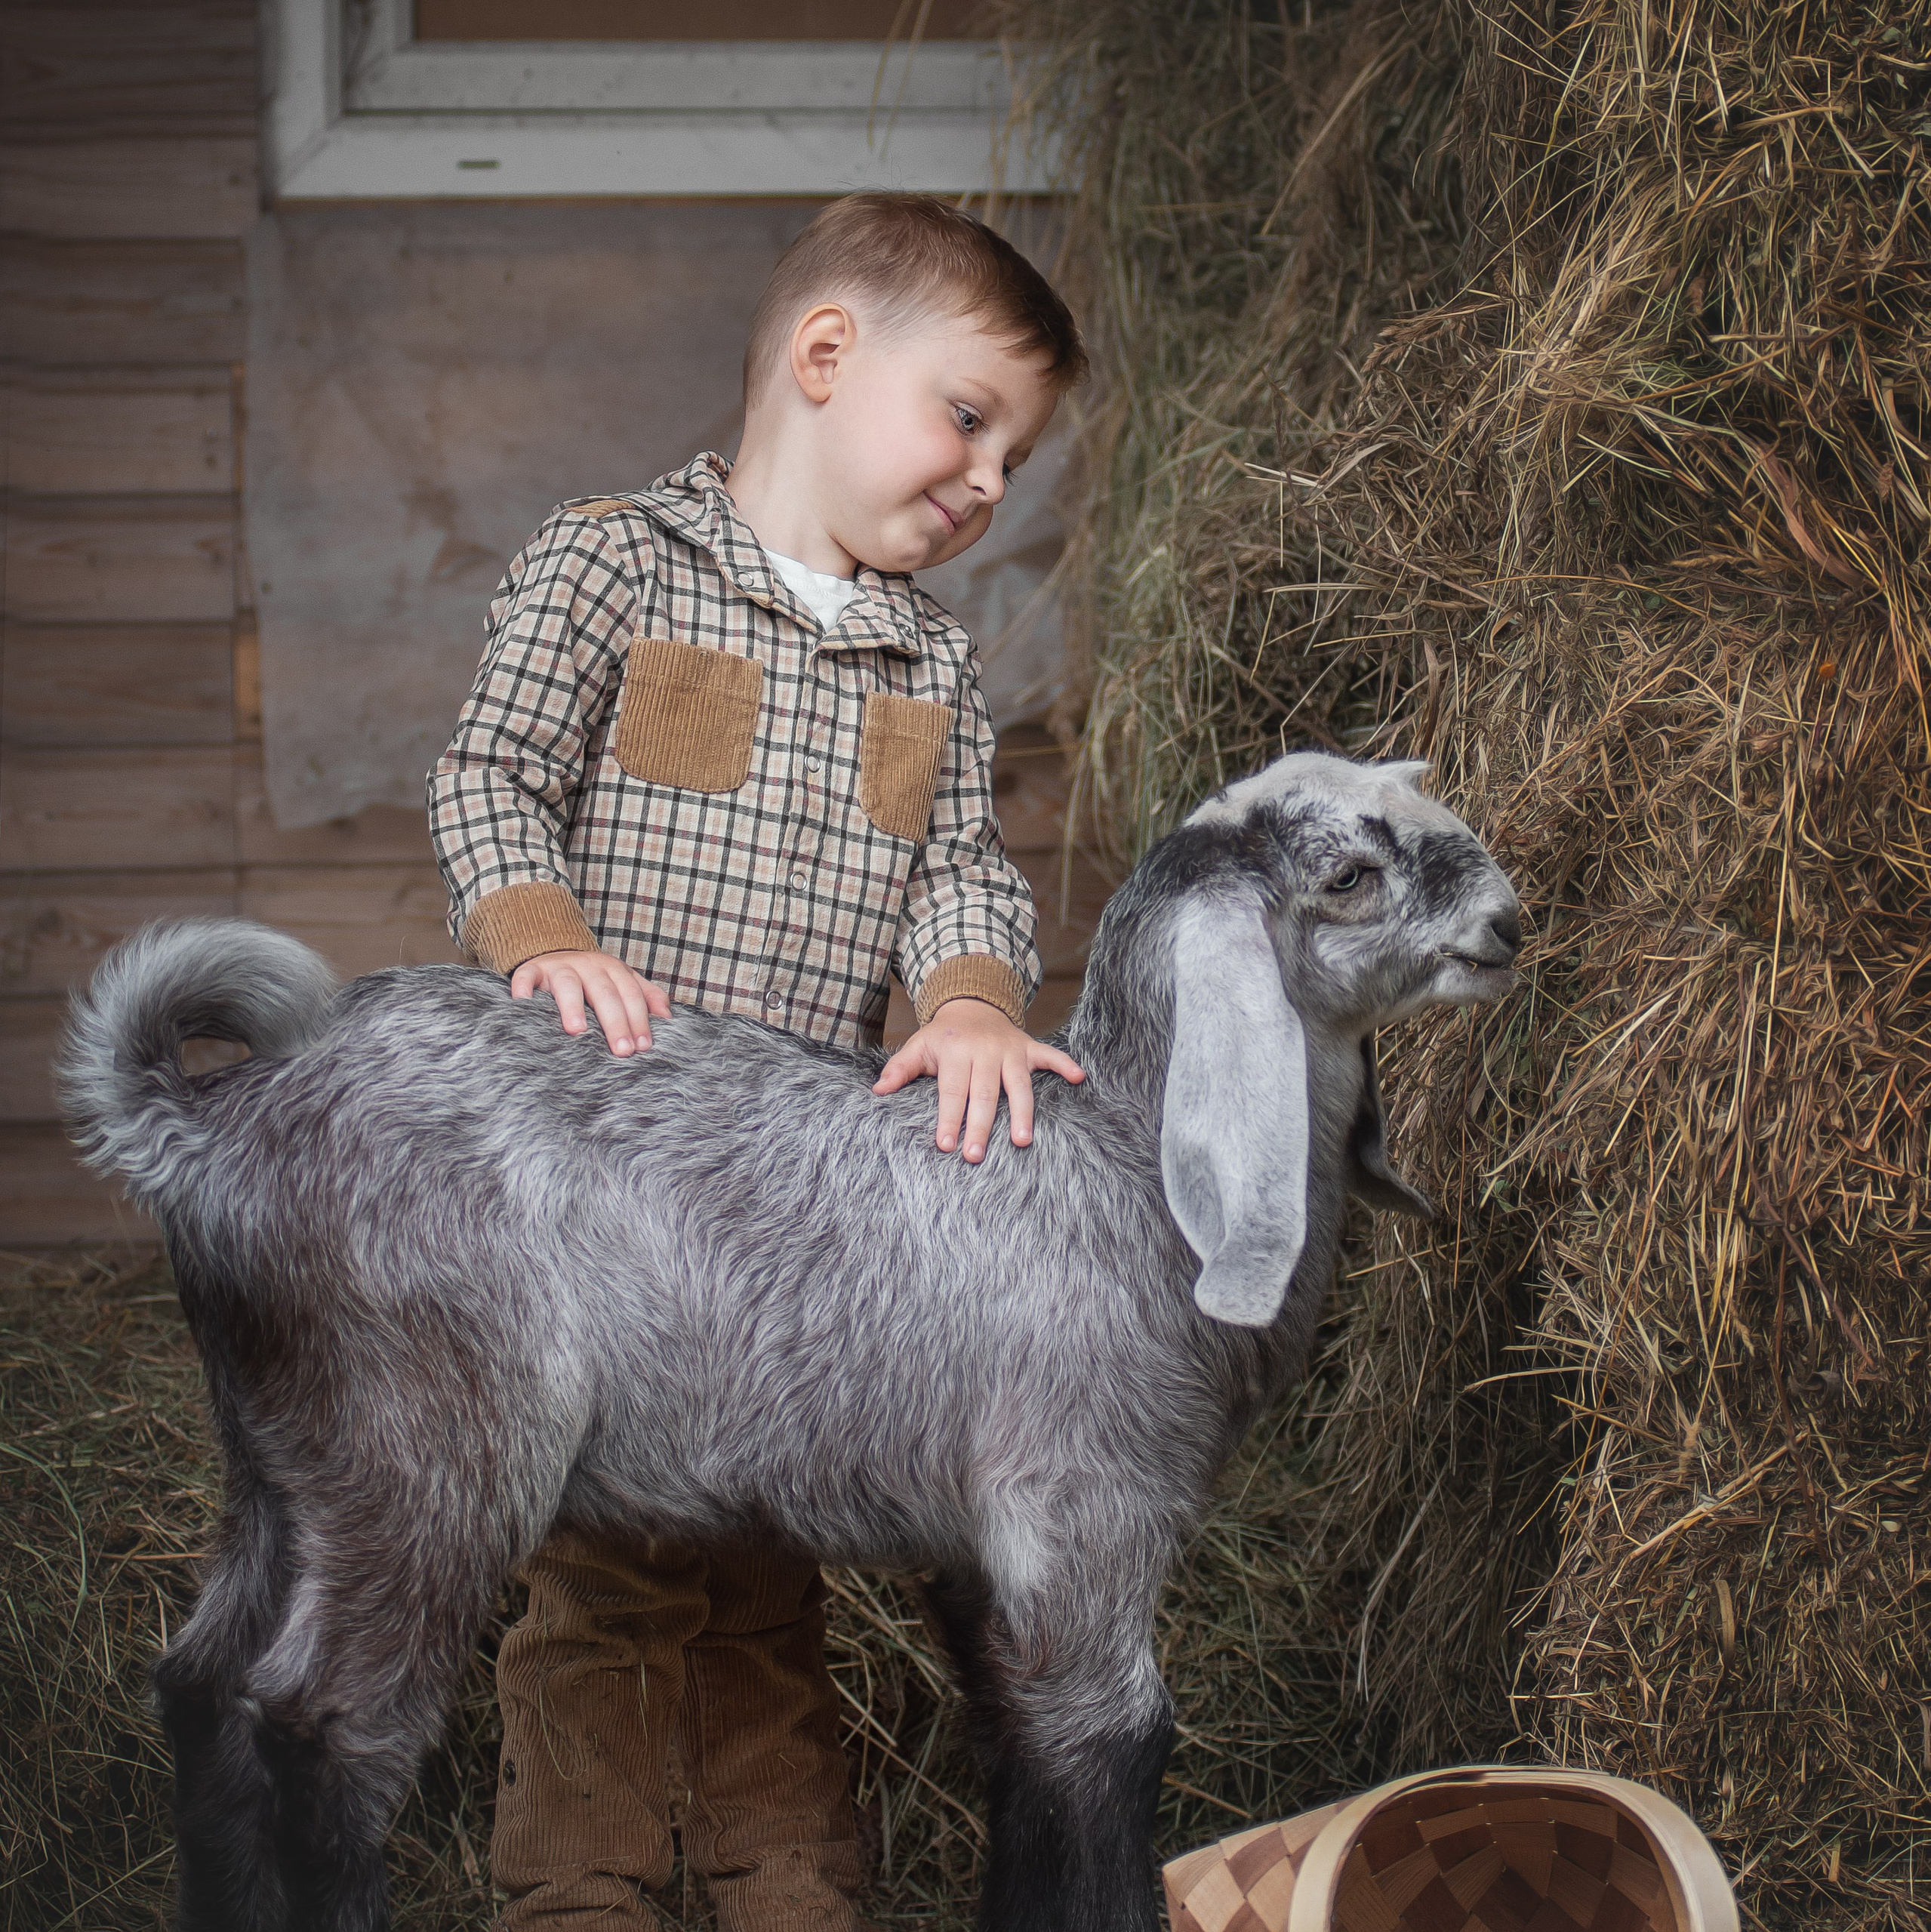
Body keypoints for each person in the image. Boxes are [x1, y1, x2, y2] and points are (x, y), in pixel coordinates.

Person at [427, 192, 1089, 1932]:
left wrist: (962, 1001)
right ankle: (578, 1889)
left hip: (791, 1219)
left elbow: (960, 868)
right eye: (969, 417)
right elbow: (490, 776)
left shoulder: (928, 660)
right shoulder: (614, 563)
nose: (987, 480)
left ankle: (795, 1885)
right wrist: (543, 938)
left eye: (1011, 455)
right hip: (603, 1186)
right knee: (604, 1578)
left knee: (766, 1576)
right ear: (823, 356)